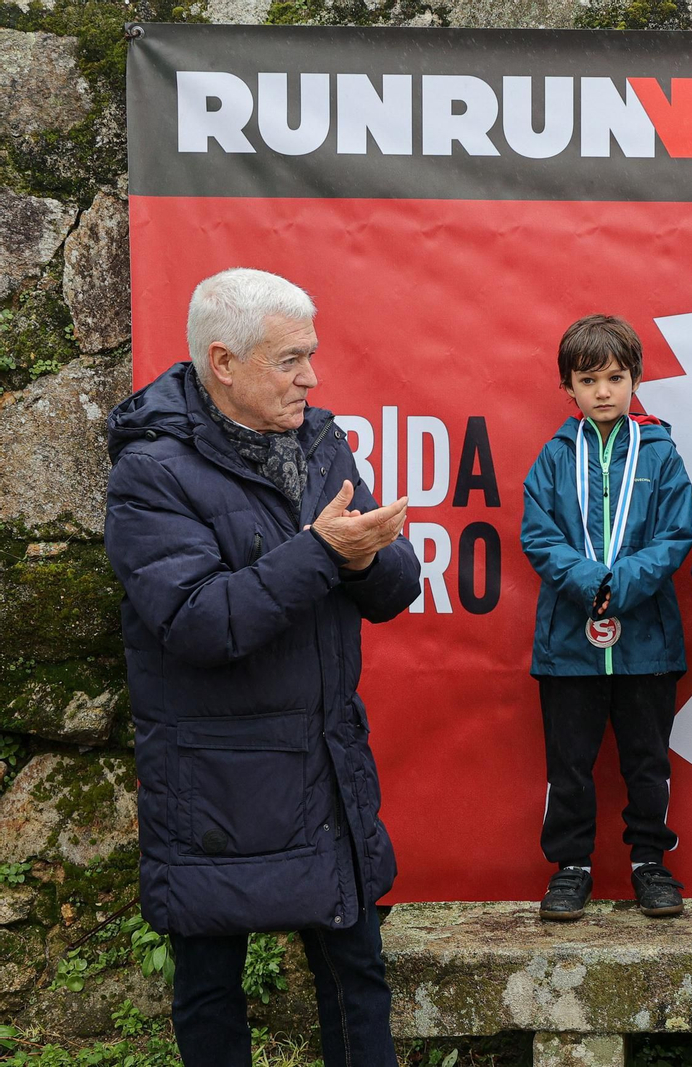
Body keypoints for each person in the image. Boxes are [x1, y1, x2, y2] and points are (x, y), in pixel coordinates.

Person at [103, 267, 420, 1064]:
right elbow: (197, 620)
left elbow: (392, 589)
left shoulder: (322, 439)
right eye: (289, 360)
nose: (311, 376)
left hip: (324, 764)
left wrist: (367, 558)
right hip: (211, 779)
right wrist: (321, 552)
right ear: (223, 362)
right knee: (211, 991)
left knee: (358, 979)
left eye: (310, 355)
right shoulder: (150, 471)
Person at [520, 314, 692, 922]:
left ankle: (650, 862)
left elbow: (677, 535)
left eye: (615, 377)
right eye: (588, 379)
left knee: (648, 762)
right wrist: (589, 582)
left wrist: (620, 584)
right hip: (569, 642)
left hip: (647, 640)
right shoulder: (552, 457)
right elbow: (538, 538)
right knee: (568, 764)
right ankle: (571, 867)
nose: (603, 391)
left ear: (636, 379)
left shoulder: (661, 453)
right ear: (568, 386)